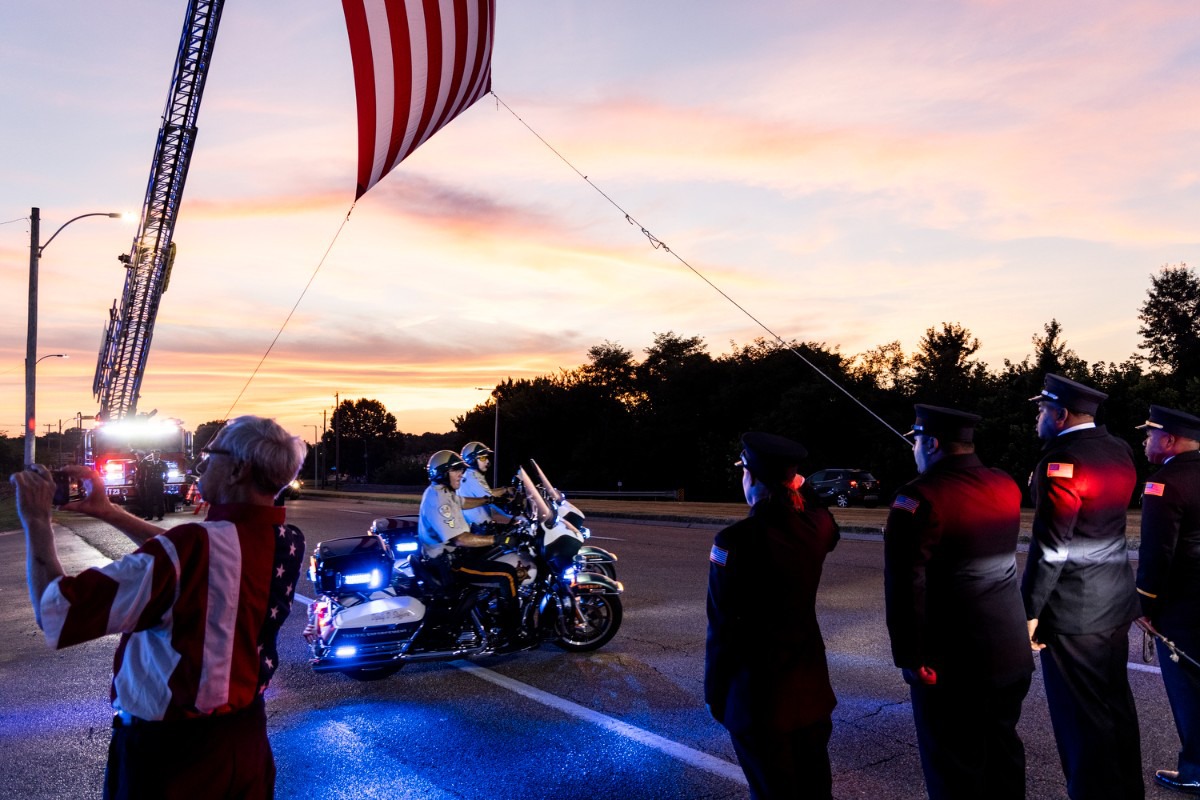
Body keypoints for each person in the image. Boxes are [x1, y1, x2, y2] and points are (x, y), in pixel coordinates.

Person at [9, 415, 307, 800]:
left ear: (237, 469)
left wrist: (36, 519)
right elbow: (202, 552)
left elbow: (58, 614)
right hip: (246, 743)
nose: (201, 464)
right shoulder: (286, 540)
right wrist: (109, 512)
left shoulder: (193, 548)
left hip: (171, 757)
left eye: (209, 455)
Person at [884, 404, 1033, 799]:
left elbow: (904, 585)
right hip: (1010, 653)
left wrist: (911, 657)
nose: (913, 449)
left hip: (953, 662)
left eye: (915, 440)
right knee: (1003, 758)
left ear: (931, 443)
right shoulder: (1005, 483)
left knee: (954, 769)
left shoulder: (917, 498)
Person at [1022, 374, 1142, 799]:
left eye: (1041, 410)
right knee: (1114, 705)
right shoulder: (1118, 449)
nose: (1037, 417)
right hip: (1115, 599)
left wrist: (1030, 611)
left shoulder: (1063, 461)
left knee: (1081, 718)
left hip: (1076, 609)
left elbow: (1053, 547)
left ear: (1060, 413)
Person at [705, 431, 840, 799]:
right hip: (811, 693)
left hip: (759, 701)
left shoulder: (734, 541)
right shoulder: (815, 528)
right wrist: (800, 485)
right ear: (792, 479)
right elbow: (825, 516)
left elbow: (721, 628)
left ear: (750, 476)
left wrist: (716, 695)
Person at [1135, 404, 1200, 795]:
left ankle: (1196, 769)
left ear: (1169, 439)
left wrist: (1145, 605)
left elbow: (1157, 552)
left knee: (1188, 689)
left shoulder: (1165, 482)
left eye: (1150, 434)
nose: (1146, 441)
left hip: (1185, 603)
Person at [419, 449, 523, 642]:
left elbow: (463, 502)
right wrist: (498, 540)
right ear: (442, 473)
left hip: (446, 556)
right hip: (450, 563)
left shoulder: (442, 491)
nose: (461, 474)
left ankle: (487, 612)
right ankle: (512, 632)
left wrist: (489, 499)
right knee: (507, 574)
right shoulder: (440, 501)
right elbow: (460, 538)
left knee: (493, 557)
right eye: (456, 470)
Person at [457, 441, 513, 528]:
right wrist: (516, 515)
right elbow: (492, 500)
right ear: (472, 460)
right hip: (478, 529)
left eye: (486, 458)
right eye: (483, 458)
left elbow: (486, 493)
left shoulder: (472, 475)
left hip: (481, 526)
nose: (487, 461)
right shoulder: (471, 479)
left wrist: (505, 490)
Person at [138, 451, 167, 520]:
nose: (155, 456)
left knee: (159, 500)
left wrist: (165, 481)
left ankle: (160, 516)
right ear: (152, 455)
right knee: (149, 500)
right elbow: (140, 466)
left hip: (159, 483)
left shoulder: (163, 463)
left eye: (156, 454)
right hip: (149, 484)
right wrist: (146, 458)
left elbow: (167, 473)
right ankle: (149, 516)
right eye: (154, 455)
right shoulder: (148, 463)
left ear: (159, 455)